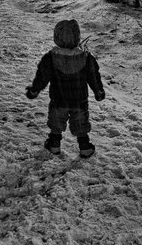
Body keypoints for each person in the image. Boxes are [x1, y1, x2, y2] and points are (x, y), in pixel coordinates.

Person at [25, 18, 105, 158]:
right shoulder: (86, 58)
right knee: (80, 124)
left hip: (58, 99)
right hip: (79, 101)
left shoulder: (50, 58)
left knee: (56, 123)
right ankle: (85, 147)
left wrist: (35, 89)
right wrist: (98, 91)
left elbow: (42, 77)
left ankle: (54, 145)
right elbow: (93, 76)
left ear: (56, 37)